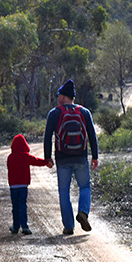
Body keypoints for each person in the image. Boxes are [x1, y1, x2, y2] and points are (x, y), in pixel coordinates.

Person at [44, 79, 99, 235]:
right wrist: (94, 156)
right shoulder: (84, 112)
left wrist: (48, 157)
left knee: (64, 192)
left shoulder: (54, 113)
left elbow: (47, 137)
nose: (57, 98)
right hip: (81, 157)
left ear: (63, 97)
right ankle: (83, 211)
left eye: (58, 95)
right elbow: (92, 135)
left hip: (62, 159)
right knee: (85, 187)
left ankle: (68, 227)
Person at [7, 133, 53, 235]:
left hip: (13, 186)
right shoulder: (26, 156)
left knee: (15, 206)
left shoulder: (10, 157)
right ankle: (25, 227)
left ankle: (15, 226)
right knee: (23, 205)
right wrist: (46, 162)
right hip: (23, 185)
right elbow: (36, 161)